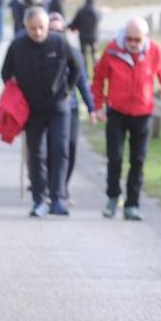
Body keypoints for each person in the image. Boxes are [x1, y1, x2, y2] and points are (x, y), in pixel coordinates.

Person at [0, 6, 90, 217]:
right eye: (33, 29)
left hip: (58, 106)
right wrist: (16, 96)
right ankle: (40, 198)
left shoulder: (59, 42)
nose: (38, 33)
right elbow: (5, 73)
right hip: (31, 108)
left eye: (41, 28)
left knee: (60, 148)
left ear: (48, 26)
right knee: (36, 153)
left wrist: (66, 89)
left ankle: (58, 198)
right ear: (26, 27)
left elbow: (77, 68)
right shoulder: (17, 46)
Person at [91, 17, 161, 221]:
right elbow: (98, 78)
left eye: (138, 40)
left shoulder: (154, 51)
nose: (133, 44)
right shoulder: (112, 50)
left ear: (145, 38)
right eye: (129, 39)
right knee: (115, 157)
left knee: (137, 161)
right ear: (124, 36)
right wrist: (98, 106)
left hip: (142, 113)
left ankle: (132, 204)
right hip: (116, 112)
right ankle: (113, 198)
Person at [49, 11, 96, 196]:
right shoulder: (39, 51)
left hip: (71, 107)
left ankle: (62, 186)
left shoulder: (74, 53)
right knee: (50, 148)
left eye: (59, 32)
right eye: (51, 31)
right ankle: (50, 188)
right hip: (45, 108)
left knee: (69, 147)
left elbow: (82, 82)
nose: (55, 36)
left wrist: (91, 108)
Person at [68, 0, 101, 70]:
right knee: (95, 54)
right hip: (94, 36)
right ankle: (97, 69)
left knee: (83, 55)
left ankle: (85, 71)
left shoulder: (81, 10)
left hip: (83, 36)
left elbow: (75, 22)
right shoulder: (97, 11)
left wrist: (70, 27)